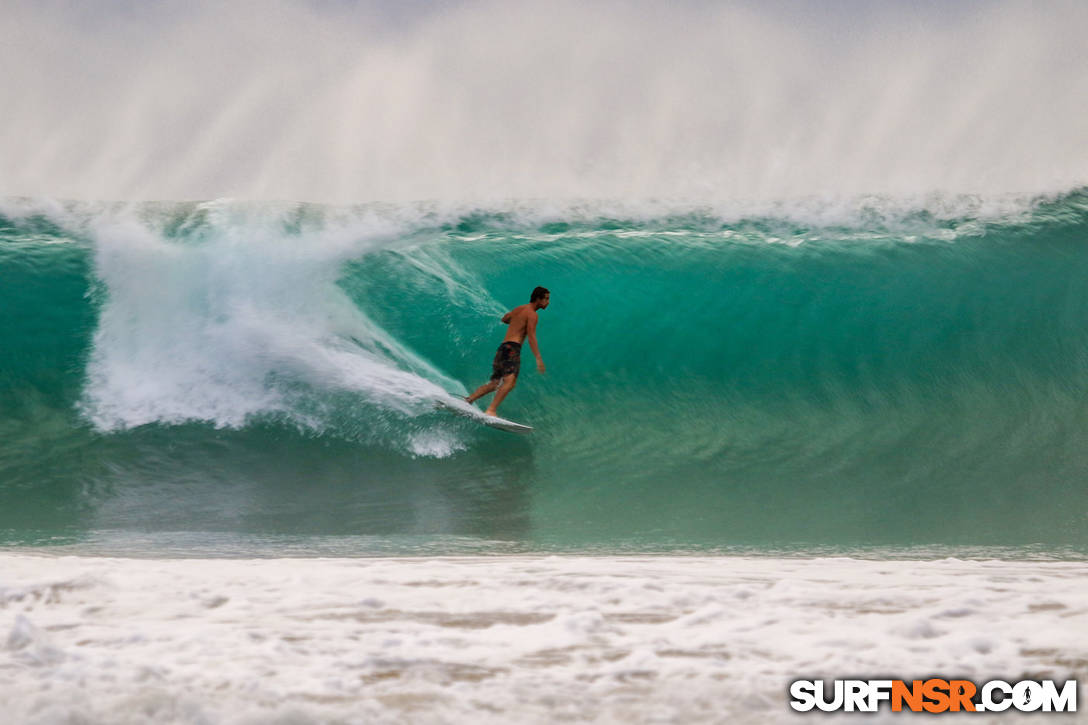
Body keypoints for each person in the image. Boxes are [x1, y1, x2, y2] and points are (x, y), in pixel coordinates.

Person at [465, 286, 549, 417]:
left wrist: (516, 320)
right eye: (546, 299)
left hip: (502, 348)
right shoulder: (533, 314)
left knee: (494, 383)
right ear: (538, 299)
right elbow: (531, 336)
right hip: (512, 349)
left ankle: (469, 400)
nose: (548, 302)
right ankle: (491, 410)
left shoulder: (520, 308)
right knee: (510, 382)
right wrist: (538, 358)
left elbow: (504, 319)